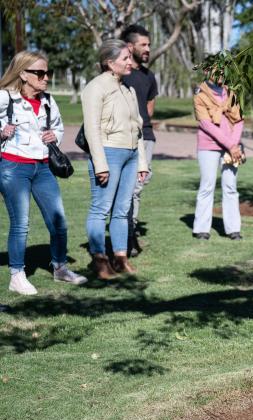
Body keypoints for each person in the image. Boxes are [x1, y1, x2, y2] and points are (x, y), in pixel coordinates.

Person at [0, 51, 87, 295]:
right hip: (12, 167)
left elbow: (57, 127)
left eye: (48, 72)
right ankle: (17, 275)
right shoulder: (4, 98)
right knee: (21, 224)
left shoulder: (48, 100)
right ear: (23, 75)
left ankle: (60, 269)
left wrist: (54, 136)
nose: (45, 77)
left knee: (59, 221)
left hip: (43, 168)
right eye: (40, 73)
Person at [81, 39, 149, 279]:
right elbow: (91, 129)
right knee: (101, 208)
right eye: (125, 59)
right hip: (108, 153)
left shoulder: (127, 89)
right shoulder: (95, 88)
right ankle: (99, 260)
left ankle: (120, 259)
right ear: (110, 63)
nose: (130, 62)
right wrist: (100, 164)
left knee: (122, 210)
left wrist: (141, 163)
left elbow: (137, 128)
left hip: (130, 155)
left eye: (130, 57)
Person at [120, 24, 158, 257]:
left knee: (136, 188)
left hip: (146, 137)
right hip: (123, 137)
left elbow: (149, 110)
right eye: (143, 45)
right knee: (126, 188)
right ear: (130, 46)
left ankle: (129, 232)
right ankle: (126, 234)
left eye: (149, 45)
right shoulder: (120, 75)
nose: (148, 49)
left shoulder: (149, 76)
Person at [192, 72, 243, 240]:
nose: (221, 73)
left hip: (231, 148)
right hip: (209, 146)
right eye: (216, 69)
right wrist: (231, 145)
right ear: (207, 71)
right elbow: (206, 125)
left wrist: (233, 146)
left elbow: (239, 120)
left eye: (224, 69)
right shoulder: (200, 94)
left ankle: (233, 229)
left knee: (230, 187)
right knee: (207, 186)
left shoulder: (232, 93)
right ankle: (201, 229)